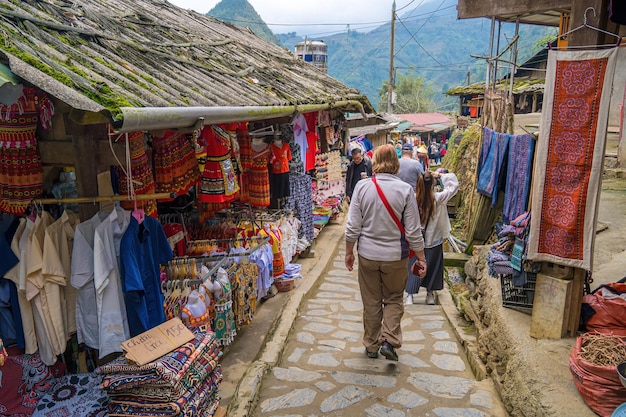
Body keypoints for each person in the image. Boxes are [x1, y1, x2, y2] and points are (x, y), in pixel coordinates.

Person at [345, 144, 427, 361]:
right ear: (396, 163)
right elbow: (412, 230)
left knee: (371, 301)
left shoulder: (362, 187)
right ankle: (389, 340)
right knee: (393, 298)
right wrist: (420, 256)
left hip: (368, 255)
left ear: (374, 162)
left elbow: (352, 226)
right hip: (395, 257)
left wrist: (348, 252)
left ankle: (371, 345)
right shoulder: (405, 190)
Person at [407, 170, 459, 305]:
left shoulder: (412, 198)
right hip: (434, 238)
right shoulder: (438, 198)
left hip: (416, 239)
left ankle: (410, 295)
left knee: (414, 265)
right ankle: (429, 294)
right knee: (433, 266)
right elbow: (453, 186)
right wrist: (441, 175)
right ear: (433, 185)